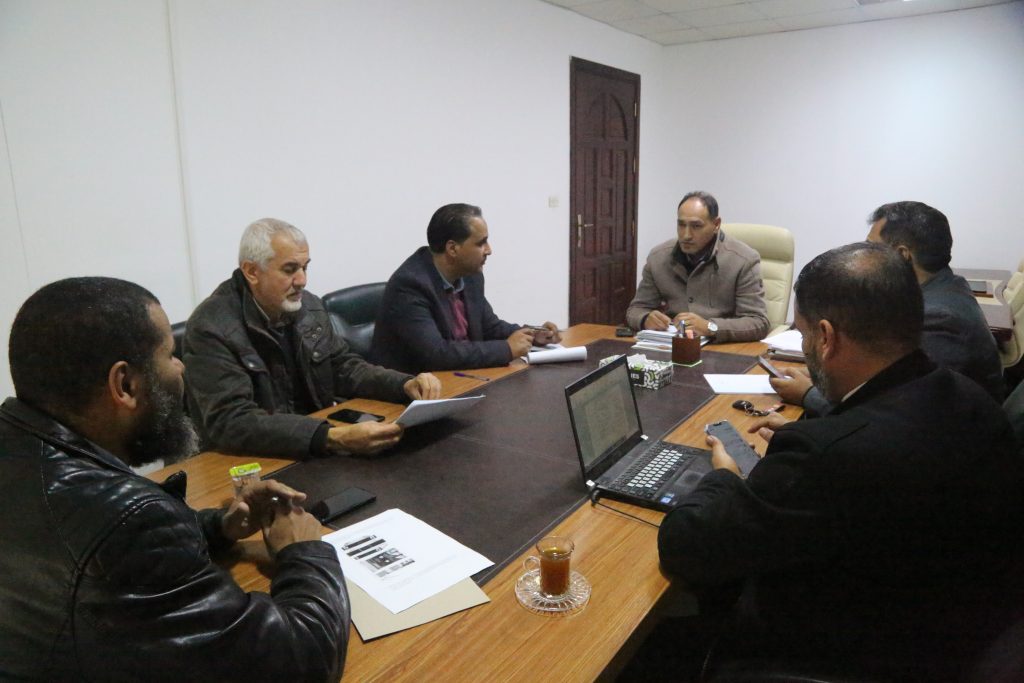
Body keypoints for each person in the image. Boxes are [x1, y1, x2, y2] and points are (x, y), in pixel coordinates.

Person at [655, 243, 1023, 680]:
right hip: (949, 632)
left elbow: (686, 546)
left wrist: (726, 477)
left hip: (842, 653)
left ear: (826, 338)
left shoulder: (827, 457)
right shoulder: (971, 399)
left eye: (804, 334)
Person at [0, 277, 349, 681]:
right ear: (125, 385)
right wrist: (304, 552)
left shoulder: (22, 449)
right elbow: (301, 663)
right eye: (169, 354)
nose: (181, 367)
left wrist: (219, 527)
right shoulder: (125, 525)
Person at [184, 218, 441, 460]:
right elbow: (232, 422)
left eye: (305, 267)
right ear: (252, 271)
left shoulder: (308, 307)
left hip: (311, 445)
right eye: (290, 270)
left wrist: (403, 384)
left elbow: (343, 367)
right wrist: (331, 437)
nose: (302, 281)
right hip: (249, 462)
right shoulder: (210, 327)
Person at [773, 201, 1005, 414]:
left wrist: (808, 394)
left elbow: (895, 411)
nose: (864, 255)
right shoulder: (948, 286)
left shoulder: (938, 320)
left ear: (902, 256)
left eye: (871, 248)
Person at [370, 203, 561, 373]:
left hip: (462, 378)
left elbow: (489, 326)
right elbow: (436, 354)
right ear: (452, 249)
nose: (489, 250)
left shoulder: (471, 276)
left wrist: (531, 335)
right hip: (416, 389)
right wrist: (507, 349)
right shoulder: (410, 285)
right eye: (481, 243)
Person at [624, 191, 770, 342]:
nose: (686, 235)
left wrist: (710, 327)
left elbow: (758, 322)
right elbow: (635, 310)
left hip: (722, 348)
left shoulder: (743, 260)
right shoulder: (658, 258)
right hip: (672, 345)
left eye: (696, 226)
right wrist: (645, 318)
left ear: (716, 224)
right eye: (681, 225)